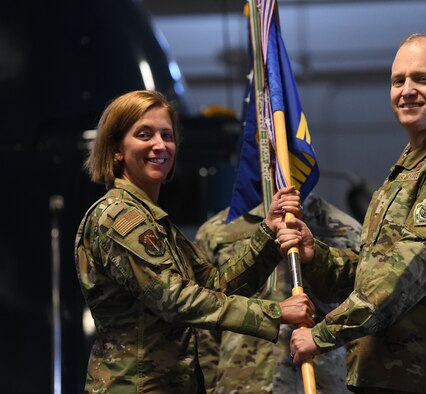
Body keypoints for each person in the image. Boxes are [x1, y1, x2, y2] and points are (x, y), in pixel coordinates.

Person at [283, 33, 426, 393]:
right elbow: (372, 271)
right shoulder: (410, 165)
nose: (407, 89)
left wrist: (325, 334)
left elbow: (407, 270)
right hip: (393, 376)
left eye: (423, 78)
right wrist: (318, 256)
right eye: (398, 80)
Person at [74, 90, 315, 394]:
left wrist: (268, 232)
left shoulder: (154, 220)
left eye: (167, 135)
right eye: (144, 134)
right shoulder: (118, 217)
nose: (159, 145)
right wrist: (276, 312)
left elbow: (216, 285)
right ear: (117, 149)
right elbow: (175, 300)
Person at [194, 193, 362, 393]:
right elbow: (204, 327)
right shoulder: (217, 230)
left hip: (322, 383)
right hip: (242, 382)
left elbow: (360, 314)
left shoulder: (348, 229)